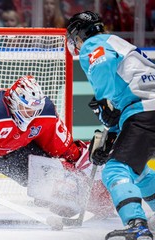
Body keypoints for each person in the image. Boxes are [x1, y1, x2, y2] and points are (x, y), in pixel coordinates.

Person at [0, 75, 113, 217]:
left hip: (16, 154)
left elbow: (63, 146)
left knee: (56, 172)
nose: (31, 115)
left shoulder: (44, 112)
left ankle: (69, 198)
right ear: (14, 102)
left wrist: (82, 165)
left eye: (34, 111)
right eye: (26, 110)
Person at [66, 11, 155, 240]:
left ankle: (137, 225)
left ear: (79, 35)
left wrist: (104, 102)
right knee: (138, 170)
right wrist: (113, 136)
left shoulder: (92, 44)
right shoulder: (115, 41)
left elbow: (102, 63)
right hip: (144, 111)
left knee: (116, 169)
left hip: (146, 111)